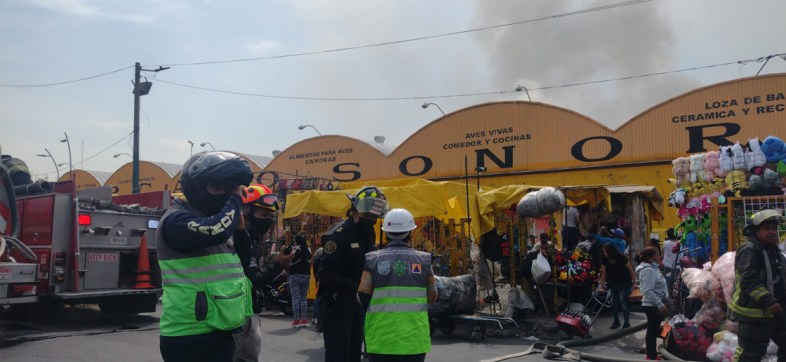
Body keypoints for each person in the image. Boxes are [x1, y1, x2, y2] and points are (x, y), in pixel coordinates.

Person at [156, 151, 254, 362]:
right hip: (188, 336)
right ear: (196, 188)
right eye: (218, 188)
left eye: (230, 190)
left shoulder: (214, 223)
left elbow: (242, 267)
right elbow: (216, 229)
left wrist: (240, 231)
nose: (227, 196)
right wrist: (235, 199)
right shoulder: (176, 221)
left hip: (219, 330)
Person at [318, 186, 390, 362]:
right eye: (368, 216)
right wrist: (358, 287)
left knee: (354, 353)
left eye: (374, 217)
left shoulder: (368, 233)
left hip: (358, 303)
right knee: (338, 354)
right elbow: (326, 274)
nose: (372, 220)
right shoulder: (338, 236)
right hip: (337, 303)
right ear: (355, 210)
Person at [358, 208, 438, 362]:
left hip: (381, 339)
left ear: (386, 233)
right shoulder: (424, 260)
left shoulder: (372, 260)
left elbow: (362, 296)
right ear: (411, 232)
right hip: (413, 340)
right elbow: (432, 296)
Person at [234, 184, 293, 362]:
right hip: (238, 315)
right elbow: (252, 280)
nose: (267, 220)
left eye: (269, 215)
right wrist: (278, 265)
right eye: (263, 215)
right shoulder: (241, 240)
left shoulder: (251, 239)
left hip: (248, 311)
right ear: (245, 213)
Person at [729, 209, 786, 362]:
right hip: (754, 315)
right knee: (750, 355)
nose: (772, 232)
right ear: (756, 231)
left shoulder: (775, 252)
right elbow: (749, 280)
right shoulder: (750, 251)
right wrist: (769, 301)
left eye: (774, 228)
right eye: (767, 229)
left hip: (776, 312)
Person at [636, 247, 669, 361]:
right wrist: (660, 304)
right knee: (652, 330)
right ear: (649, 258)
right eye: (656, 255)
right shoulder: (648, 270)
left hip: (656, 303)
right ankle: (651, 355)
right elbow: (648, 291)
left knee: (654, 329)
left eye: (659, 254)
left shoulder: (653, 268)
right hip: (652, 305)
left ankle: (652, 353)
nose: (659, 257)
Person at [598, 242, 636, 329]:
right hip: (612, 283)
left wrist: (634, 283)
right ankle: (616, 321)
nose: (604, 253)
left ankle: (626, 323)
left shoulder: (621, 258)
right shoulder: (604, 260)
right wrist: (602, 287)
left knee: (623, 302)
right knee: (613, 303)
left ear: (610, 252)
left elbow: (631, 270)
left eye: (605, 252)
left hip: (624, 283)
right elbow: (603, 274)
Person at [285, 233, 312, 327]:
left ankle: (296, 320)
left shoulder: (295, 249)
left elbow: (290, 260)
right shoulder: (309, 249)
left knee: (295, 298)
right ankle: (304, 320)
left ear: (296, 241)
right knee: (304, 298)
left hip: (294, 275)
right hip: (306, 275)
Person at [311, 238, 325, 329]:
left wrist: (316, 276)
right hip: (324, 278)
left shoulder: (319, 251)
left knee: (318, 296)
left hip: (319, 278)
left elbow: (313, 263)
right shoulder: (324, 251)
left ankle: (315, 316)